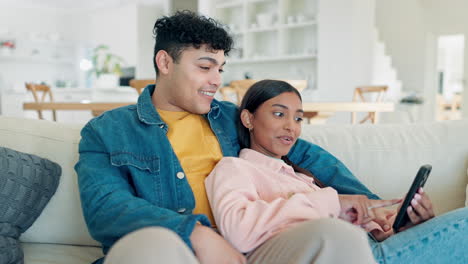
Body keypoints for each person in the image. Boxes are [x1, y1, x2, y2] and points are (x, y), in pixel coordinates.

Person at [75, 11, 401, 264]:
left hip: (249, 248)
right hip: (173, 249)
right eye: (205, 67)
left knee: (335, 236)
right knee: (151, 245)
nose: (216, 80)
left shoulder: (232, 118)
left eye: (220, 68)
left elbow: (306, 155)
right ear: (165, 63)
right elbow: (106, 208)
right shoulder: (107, 131)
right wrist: (195, 233)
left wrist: (374, 204)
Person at [205, 79, 468, 264]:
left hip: (370, 250)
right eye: (278, 114)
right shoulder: (235, 168)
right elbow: (238, 229)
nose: (291, 127)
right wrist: (332, 201)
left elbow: (355, 233)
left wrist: (401, 227)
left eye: (298, 118)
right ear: (248, 119)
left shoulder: (300, 177)